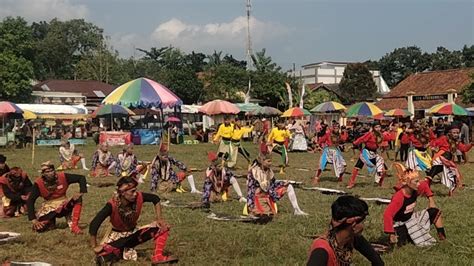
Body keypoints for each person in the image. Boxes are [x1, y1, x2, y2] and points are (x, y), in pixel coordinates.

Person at [89, 176, 178, 265]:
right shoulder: (111, 205)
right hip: (118, 236)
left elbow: (155, 199)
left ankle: (158, 256)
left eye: (135, 190)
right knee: (110, 252)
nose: (135, 194)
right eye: (132, 191)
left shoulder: (139, 197)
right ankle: (110, 254)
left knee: (162, 227)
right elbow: (94, 224)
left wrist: (159, 219)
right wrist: (94, 246)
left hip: (133, 233)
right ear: (123, 193)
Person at [307, 196, 383, 266]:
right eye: (362, 222)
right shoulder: (322, 251)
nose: (364, 226)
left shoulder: (351, 239)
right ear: (353, 225)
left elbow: (378, 262)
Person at [383, 163, 446, 247]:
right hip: (400, 224)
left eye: (418, 181)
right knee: (400, 243)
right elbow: (388, 214)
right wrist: (391, 233)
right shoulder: (399, 197)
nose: (418, 184)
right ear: (407, 183)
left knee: (435, 211)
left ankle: (442, 236)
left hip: (411, 219)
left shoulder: (415, 189)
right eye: (416, 181)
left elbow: (424, 185)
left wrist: (431, 200)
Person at [27, 161, 87, 234]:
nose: (50, 173)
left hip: (64, 205)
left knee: (77, 198)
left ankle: (74, 226)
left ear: (54, 170)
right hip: (49, 208)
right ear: (43, 174)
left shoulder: (62, 177)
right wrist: (33, 219)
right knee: (40, 228)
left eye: (51, 170)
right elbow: (30, 200)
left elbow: (81, 178)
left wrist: (81, 192)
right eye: (47, 172)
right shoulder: (38, 183)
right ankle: (51, 222)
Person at [246, 152, 308, 217]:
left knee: (289, 186)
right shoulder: (254, 171)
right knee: (264, 215)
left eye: (271, 161)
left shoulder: (268, 170)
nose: (271, 163)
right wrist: (250, 204)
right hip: (257, 197)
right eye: (269, 161)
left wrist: (283, 183)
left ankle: (297, 210)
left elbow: (272, 183)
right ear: (262, 161)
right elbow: (252, 189)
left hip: (267, 193)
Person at [428, 125, 472, 195]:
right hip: (440, 159)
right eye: (454, 133)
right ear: (449, 133)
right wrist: (433, 147)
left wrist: (471, 143)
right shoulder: (443, 138)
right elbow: (434, 143)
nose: (456, 134)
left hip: (449, 162)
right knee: (431, 175)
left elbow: (464, 149)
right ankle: (425, 189)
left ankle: (451, 193)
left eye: (457, 133)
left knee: (454, 176)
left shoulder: (456, 142)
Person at [347, 123, 388, 189]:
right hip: (366, 153)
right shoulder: (370, 134)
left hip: (374, 154)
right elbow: (361, 139)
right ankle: (351, 183)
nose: (378, 128)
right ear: (373, 128)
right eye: (376, 127)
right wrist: (354, 144)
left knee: (384, 169)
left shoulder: (381, 135)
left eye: (379, 127)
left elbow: (386, 140)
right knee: (357, 167)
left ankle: (380, 183)